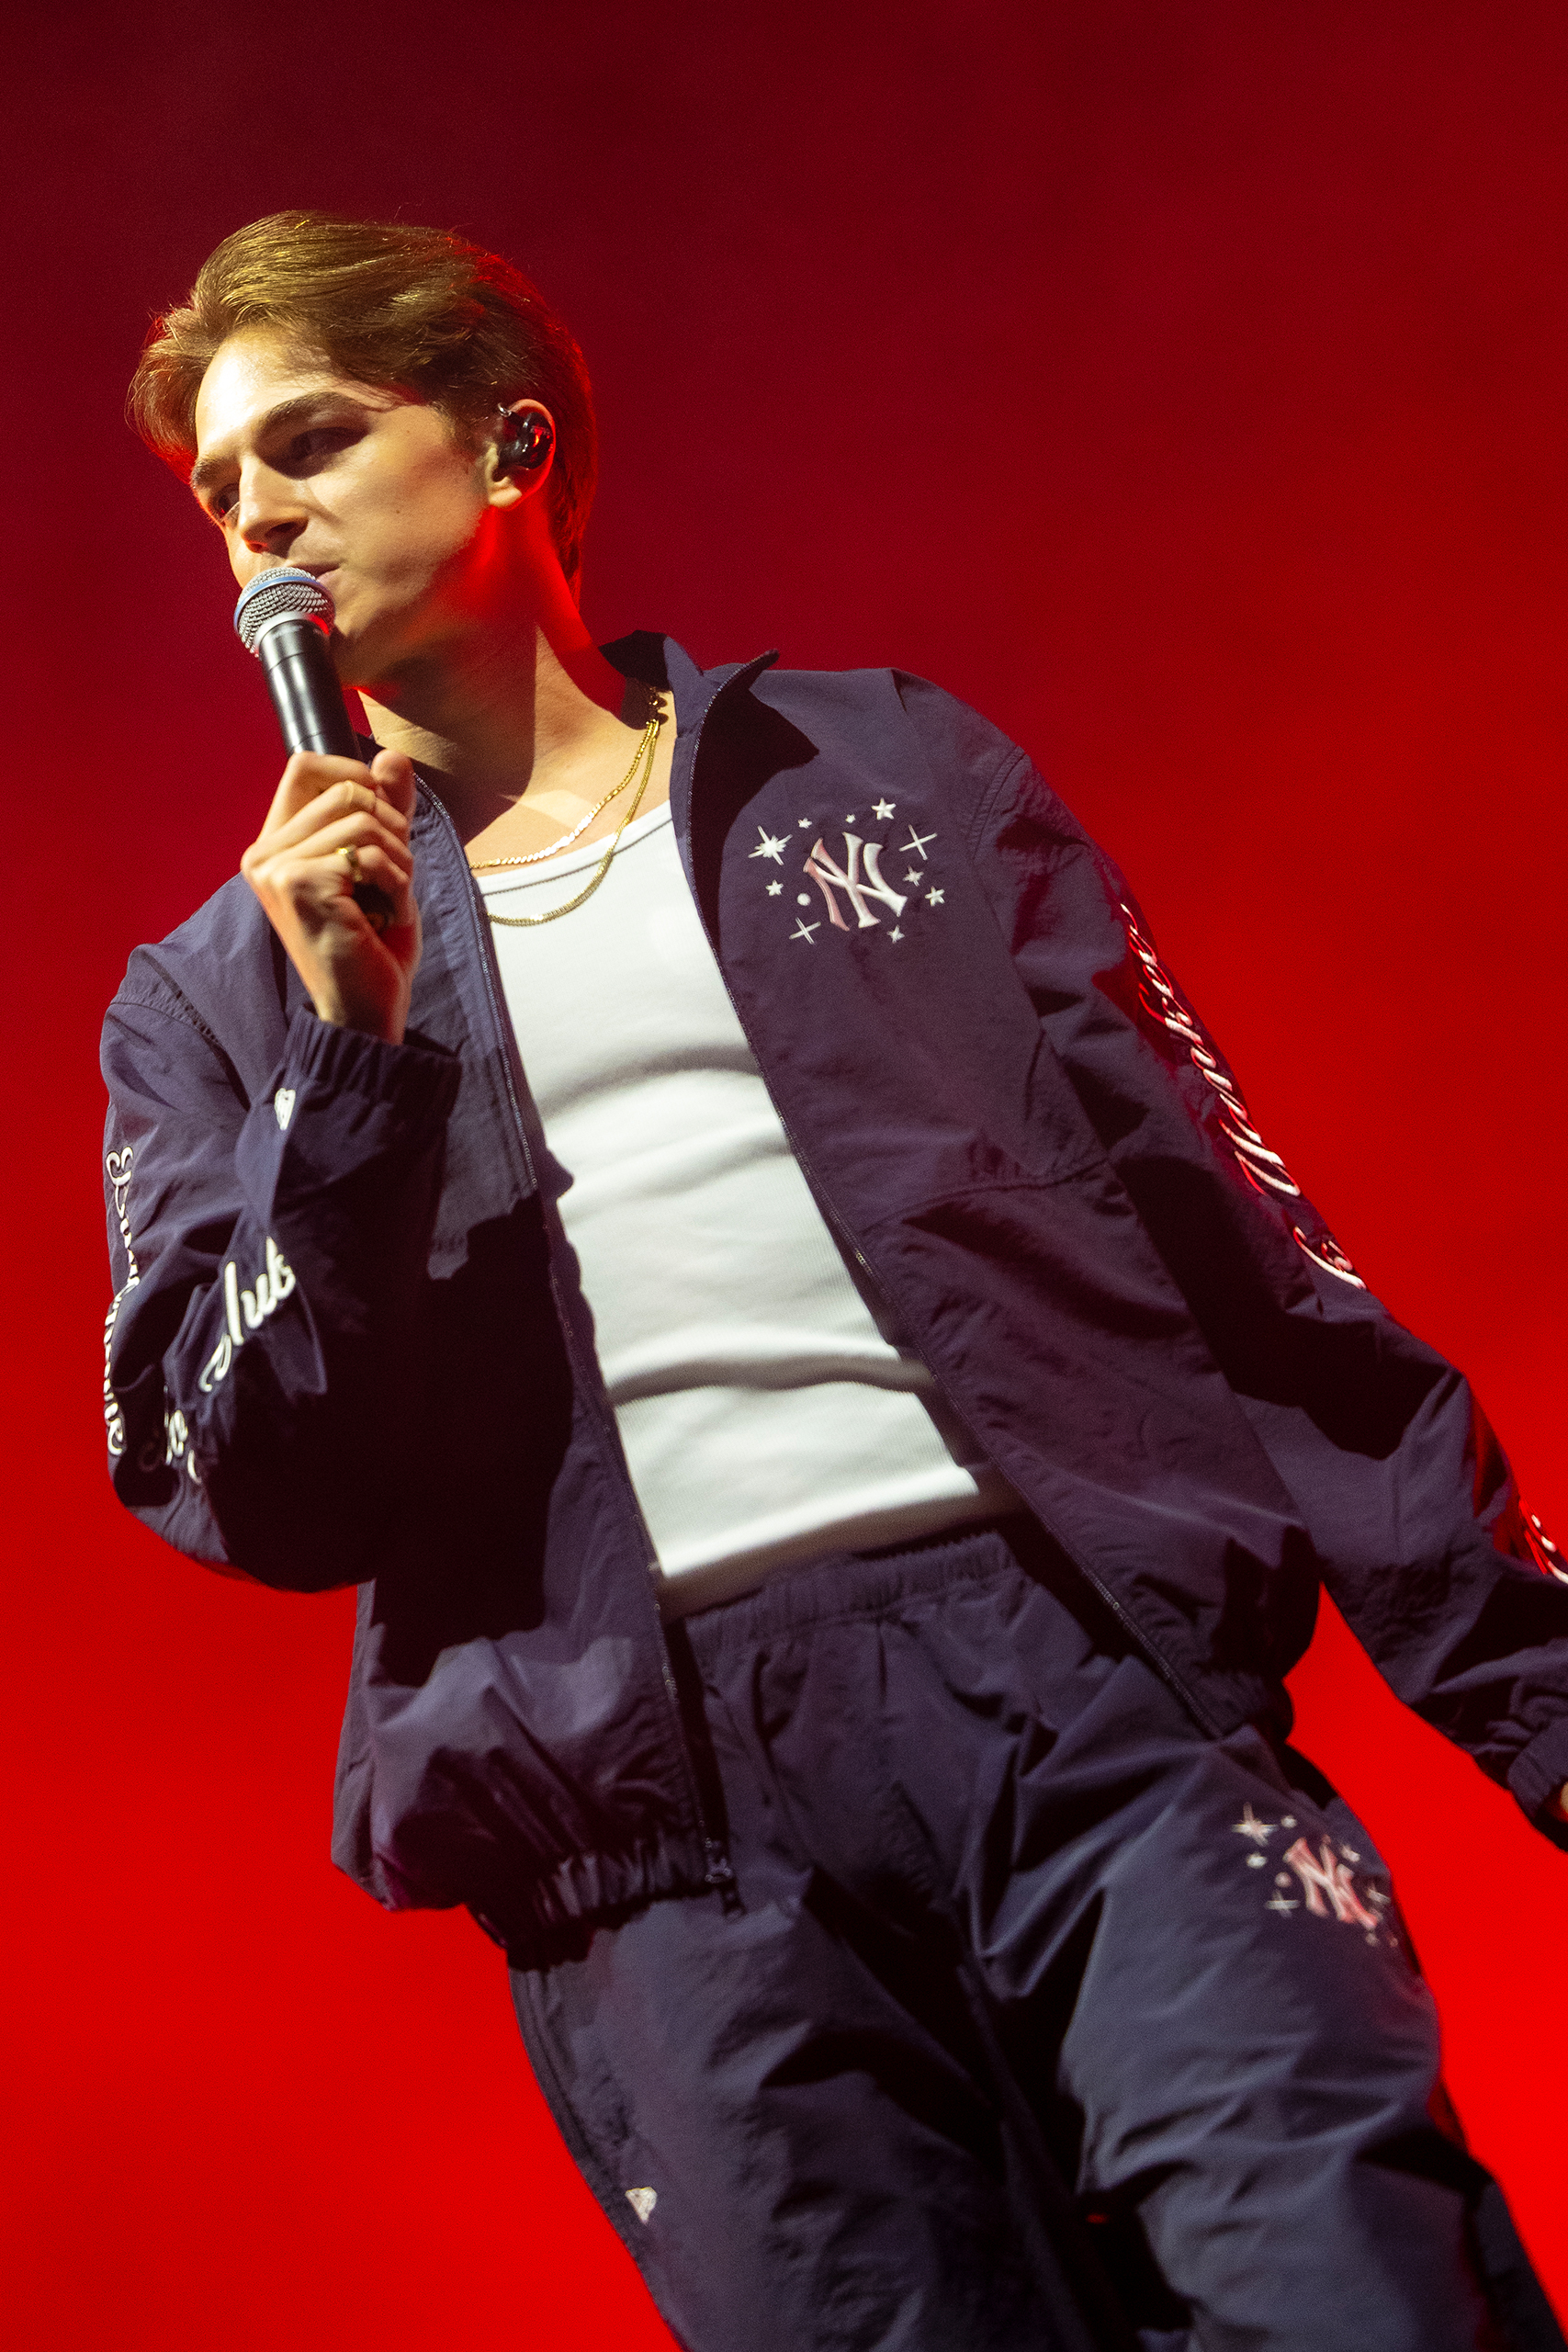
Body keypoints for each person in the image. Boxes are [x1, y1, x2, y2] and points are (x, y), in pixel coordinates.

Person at [103, 211, 1568, 2352]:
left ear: (507, 441)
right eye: (220, 487)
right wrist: (345, 1068)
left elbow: (1237, 1260)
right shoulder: (215, 996)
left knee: (1350, 2278)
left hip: (1083, 1693)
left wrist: (1532, 1691)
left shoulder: (879, 770)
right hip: (663, 1842)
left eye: (311, 439)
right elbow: (239, 1477)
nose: (259, 518)